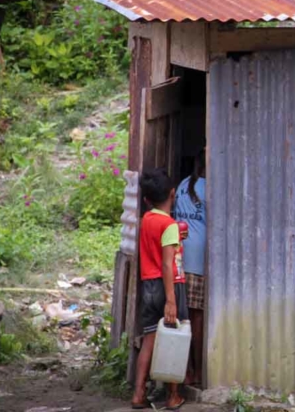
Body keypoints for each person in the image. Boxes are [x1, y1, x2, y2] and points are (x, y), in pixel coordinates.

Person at [132, 169, 188, 410]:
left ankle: (138, 393)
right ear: (173, 194)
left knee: (150, 340)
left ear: (147, 200)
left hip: (149, 285)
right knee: (175, 337)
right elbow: (167, 264)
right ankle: (173, 395)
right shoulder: (170, 225)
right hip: (169, 286)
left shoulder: (146, 220)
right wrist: (171, 300)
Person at [173, 149, 206, 386]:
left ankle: (185, 371)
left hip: (178, 257)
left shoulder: (184, 183)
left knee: (182, 317)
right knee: (197, 319)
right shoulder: (211, 188)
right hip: (197, 260)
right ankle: (197, 372)